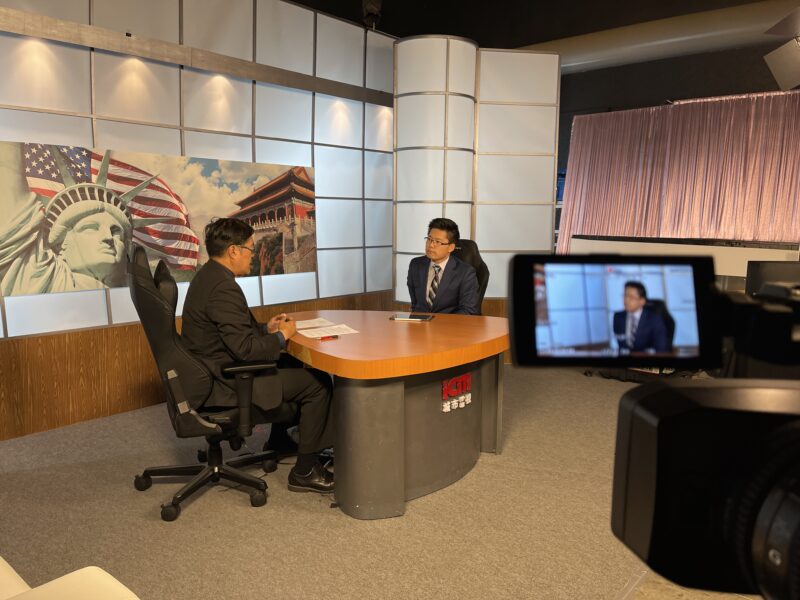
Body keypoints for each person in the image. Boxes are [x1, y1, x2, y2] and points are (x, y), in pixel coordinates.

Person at [181, 217, 334, 494]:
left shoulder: (208, 276)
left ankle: (279, 443)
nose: (253, 255)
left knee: (291, 361)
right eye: (251, 249)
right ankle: (305, 471)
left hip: (211, 370)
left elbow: (230, 334)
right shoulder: (223, 288)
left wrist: (266, 328)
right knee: (319, 384)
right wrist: (281, 336)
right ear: (233, 251)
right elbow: (245, 350)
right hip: (225, 382)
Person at [0, 142, 130, 295]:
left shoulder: (138, 298)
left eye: (116, 232)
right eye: (90, 228)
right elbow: (8, 184)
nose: (108, 237)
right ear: (62, 246)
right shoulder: (45, 279)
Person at [406, 218, 479, 315]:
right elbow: (415, 304)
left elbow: (468, 310)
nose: (431, 245)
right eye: (429, 239)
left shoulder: (465, 272)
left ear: (451, 247)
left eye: (437, 242)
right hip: (420, 322)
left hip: (450, 324)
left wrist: (440, 323)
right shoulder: (415, 265)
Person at [612, 281, 670, 353]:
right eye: (625, 295)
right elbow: (621, 345)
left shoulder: (655, 320)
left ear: (642, 301)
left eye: (631, 297)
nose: (626, 300)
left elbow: (661, 348)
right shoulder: (618, 317)